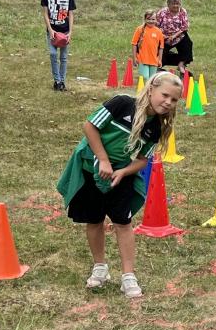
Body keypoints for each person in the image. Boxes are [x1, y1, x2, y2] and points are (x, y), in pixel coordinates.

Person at [57, 72, 182, 298]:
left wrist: (124, 171)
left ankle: (128, 276)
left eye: (174, 100)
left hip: (120, 176)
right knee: (94, 220)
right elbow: (89, 126)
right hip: (92, 168)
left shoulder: (156, 127)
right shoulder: (121, 104)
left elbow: (143, 159)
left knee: (123, 223)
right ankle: (100, 268)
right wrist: (103, 159)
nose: (168, 102)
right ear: (151, 88)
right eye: (165, 95)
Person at [40, 0, 76, 91]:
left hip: (65, 31)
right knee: (53, 54)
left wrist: (70, 32)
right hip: (52, 31)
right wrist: (50, 30)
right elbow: (45, 14)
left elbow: (71, 15)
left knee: (64, 57)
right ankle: (57, 80)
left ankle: (62, 82)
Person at [156, 0, 192, 76]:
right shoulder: (162, 12)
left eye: (178, 4)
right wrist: (163, 36)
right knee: (161, 52)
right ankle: (159, 66)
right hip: (163, 36)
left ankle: (181, 64)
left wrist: (174, 36)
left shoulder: (183, 11)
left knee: (188, 44)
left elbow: (184, 27)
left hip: (178, 36)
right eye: (173, 4)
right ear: (168, 4)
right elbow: (156, 26)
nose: (176, 6)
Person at [132, 9, 165, 83]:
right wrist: (134, 58)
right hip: (142, 59)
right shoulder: (139, 29)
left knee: (152, 80)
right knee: (145, 77)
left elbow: (161, 47)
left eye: (153, 19)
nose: (151, 21)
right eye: (148, 19)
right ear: (145, 19)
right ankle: (144, 93)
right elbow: (134, 44)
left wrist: (159, 59)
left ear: (156, 20)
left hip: (154, 60)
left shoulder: (158, 32)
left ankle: (149, 93)